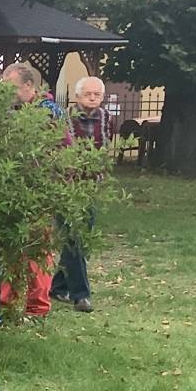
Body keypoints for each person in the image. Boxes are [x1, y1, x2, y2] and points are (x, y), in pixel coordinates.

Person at [0, 62, 60, 321]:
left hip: (41, 190)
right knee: (11, 247)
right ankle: (7, 304)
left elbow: (59, 151)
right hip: (12, 190)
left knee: (37, 249)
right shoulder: (8, 112)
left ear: (29, 85)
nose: (7, 94)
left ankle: (37, 308)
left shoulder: (49, 112)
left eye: (11, 88)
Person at [54, 75, 111, 313]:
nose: (92, 98)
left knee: (81, 238)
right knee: (74, 237)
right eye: (88, 94)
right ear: (77, 96)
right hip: (67, 185)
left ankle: (57, 286)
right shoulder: (65, 117)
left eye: (97, 94)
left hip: (90, 185)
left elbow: (105, 147)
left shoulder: (105, 117)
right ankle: (81, 296)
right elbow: (65, 149)